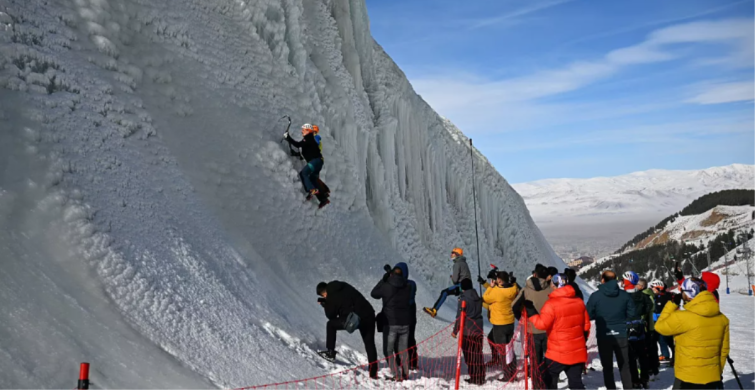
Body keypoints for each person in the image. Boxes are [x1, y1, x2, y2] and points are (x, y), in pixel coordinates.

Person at [655, 278, 730, 390]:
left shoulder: (682, 317)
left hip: (686, 378)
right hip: (712, 377)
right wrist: (717, 371)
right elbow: (724, 350)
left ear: (689, 295)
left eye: (683, 291)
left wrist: (672, 304)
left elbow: (659, 326)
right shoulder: (722, 318)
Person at [525, 274, 591, 390]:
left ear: (555, 286)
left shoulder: (551, 304)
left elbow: (542, 324)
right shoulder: (579, 302)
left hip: (558, 352)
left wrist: (532, 312)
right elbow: (586, 326)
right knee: (576, 384)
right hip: (577, 352)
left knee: (548, 379)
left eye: (551, 283)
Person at [316, 281, 379, 378]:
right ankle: (373, 372)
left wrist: (325, 304)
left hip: (354, 318)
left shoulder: (331, 296)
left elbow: (331, 315)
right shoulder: (342, 285)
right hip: (369, 314)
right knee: (369, 343)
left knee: (330, 325)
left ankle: (330, 353)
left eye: (324, 296)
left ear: (324, 293)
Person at [586, 270, 636, 390]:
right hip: (621, 334)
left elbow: (588, 315)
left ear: (602, 280)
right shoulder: (625, 295)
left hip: (604, 335)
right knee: (624, 366)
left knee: (607, 367)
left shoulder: (595, 296)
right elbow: (632, 314)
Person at [512, 265, 552, 390]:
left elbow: (514, 306)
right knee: (549, 361)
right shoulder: (551, 290)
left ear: (534, 274)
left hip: (531, 329)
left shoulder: (525, 290)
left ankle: (537, 386)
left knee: (535, 362)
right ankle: (548, 386)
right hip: (548, 331)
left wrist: (522, 319)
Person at [371, 265, 413, 381]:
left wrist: (384, 279)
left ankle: (397, 375)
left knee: (388, 350)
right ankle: (405, 373)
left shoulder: (386, 286)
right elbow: (401, 282)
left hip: (391, 324)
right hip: (405, 324)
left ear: (392, 275)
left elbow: (373, 293)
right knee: (403, 350)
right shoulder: (408, 286)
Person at [481, 270, 519, 379]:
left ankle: (508, 375)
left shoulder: (496, 291)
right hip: (510, 323)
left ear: (499, 280)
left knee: (503, 350)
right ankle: (513, 371)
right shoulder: (513, 289)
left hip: (499, 324)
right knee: (509, 348)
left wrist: (490, 287)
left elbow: (485, 298)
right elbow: (515, 287)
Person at [284, 123, 328, 208]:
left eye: (303, 130)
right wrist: (295, 153)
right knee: (313, 179)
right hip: (318, 162)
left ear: (308, 130)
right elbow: (303, 154)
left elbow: (298, 144)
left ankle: (311, 190)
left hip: (315, 161)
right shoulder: (309, 141)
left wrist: (288, 137)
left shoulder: (308, 138)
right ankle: (323, 199)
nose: (302, 131)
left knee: (303, 173)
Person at [622, 271, 653, 389]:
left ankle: (635, 380)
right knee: (642, 354)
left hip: (626, 330)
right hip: (640, 328)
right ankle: (644, 378)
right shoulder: (643, 296)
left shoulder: (621, 297)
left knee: (630, 357)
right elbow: (649, 307)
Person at [453, 278, 486, 385]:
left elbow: (459, 317)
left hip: (468, 331)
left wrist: (455, 331)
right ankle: (481, 376)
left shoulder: (463, 299)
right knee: (478, 353)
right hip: (479, 330)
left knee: (470, 356)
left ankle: (474, 377)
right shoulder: (478, 297)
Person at [423, 248, 471, 317]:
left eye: (453, 253)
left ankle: (434, 310)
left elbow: (455, 280)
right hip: (468, 286)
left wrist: (453, 278)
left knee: (444, 292)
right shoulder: (464, 263)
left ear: (457, 255)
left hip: (462, 285)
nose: (451, 254)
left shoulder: (457, 264)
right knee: (463, 303)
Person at [394, 262, 419, 370]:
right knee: (409, 340)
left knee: (403, 339)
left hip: (405, 317)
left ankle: (406, 362)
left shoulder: (409, 285)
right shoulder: (411, 283)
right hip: (409, 317)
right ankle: (411, 362)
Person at [637, 278, 659, 380]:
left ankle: (648, 369)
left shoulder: (644, 296)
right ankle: (654, 368)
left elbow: (644, 311)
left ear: (641, 286)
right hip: (650, 325)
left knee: (645, 349)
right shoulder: (650, 294)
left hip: (646, 326)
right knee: (652, 348)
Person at [649, 280, 675, 365]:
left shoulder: (666, 296)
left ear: (658, 288)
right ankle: (665, 355)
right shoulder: (655, 296)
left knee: (668, 339)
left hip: (666, 321)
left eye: (653, 287)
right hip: (656, 321)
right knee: (660, 339)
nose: (652, 289)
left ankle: (674, 356)